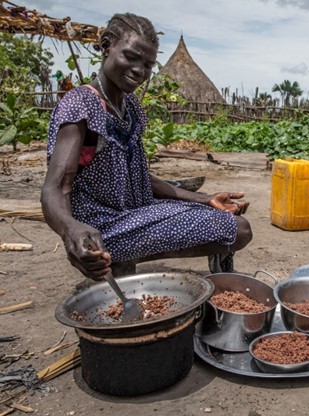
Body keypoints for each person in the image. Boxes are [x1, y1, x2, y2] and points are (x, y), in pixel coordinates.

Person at [41, 13, 252, 281]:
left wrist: (205, 198)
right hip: (103, 227)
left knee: (220, 216)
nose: (139, 70)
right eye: (130, 57)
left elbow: (139, 177)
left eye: (148, 64)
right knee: (238, 228)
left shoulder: (130, 107)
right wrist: (71, 228)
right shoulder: (81, 104)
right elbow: (56, 186)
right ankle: (118, 255)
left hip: (135, 213)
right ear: (107, 47)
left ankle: (126, 256)